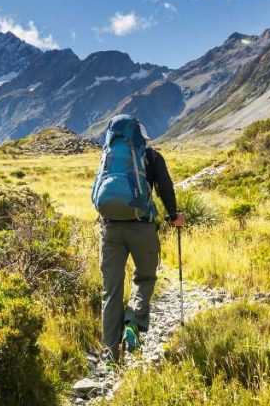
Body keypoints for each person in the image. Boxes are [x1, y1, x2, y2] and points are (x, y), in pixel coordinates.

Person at [92, 115, 185, 365]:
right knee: (145, 277)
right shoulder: (152, 157)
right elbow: (165, 187)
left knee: (110, 290)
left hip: (110, 229)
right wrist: (173, 215)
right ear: (141, 138)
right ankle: (133, 321)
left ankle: (111, 356)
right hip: (142, 227)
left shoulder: (109, 158)